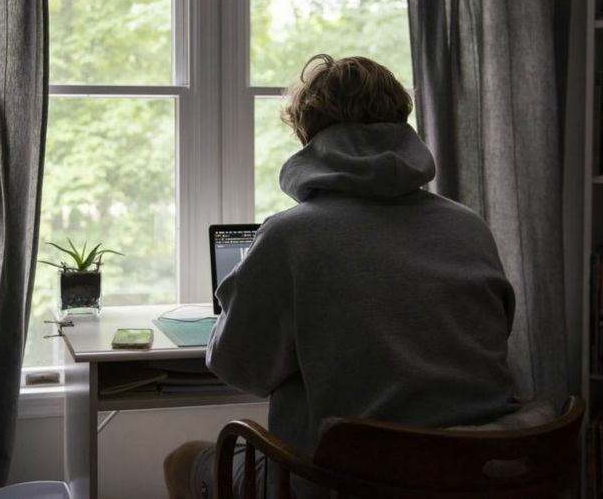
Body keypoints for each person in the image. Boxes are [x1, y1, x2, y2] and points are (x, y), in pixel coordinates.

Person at [164, 54, 518, 499]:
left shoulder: (291, 234)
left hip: (343, 480)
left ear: (308, 135)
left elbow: (241, 368)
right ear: (401, 121)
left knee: (183, 459)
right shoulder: (469, 226)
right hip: (472, 477)